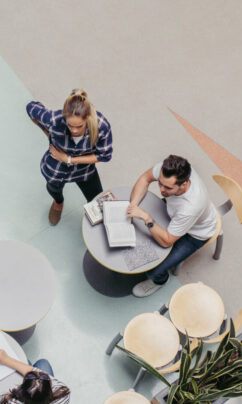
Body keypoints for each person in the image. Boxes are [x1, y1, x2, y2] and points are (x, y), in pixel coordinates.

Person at [126, 155, 218, 297]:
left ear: (184, 184)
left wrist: (146, 217)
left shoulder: (190, 207)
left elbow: (167, 241)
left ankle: (160, 280)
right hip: (176, 214)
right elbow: (145, 178)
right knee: (141, 236)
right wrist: (133, 206)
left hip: (195, 234)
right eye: (160, 183)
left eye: (167, 187)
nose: (161, 190)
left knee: (153, 268)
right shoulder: (171, 169)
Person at [26, 89, 114, 226]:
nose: (74, 131)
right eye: (70, 125)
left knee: (96, 199)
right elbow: (30, 107)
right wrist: (47, 133)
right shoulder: (54, 119)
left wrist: (69, 159)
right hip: (56, 169)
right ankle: (58, 203)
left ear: (88, 117)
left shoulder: (101, 125)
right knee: (54, 189)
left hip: (85, 171)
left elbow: (105, 155)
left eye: (79, 126)